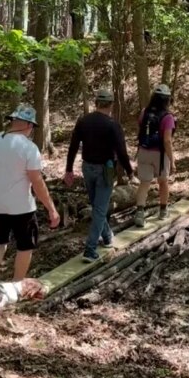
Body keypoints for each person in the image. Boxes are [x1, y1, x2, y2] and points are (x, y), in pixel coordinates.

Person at [0, 104, 60, 281]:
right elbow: (37, 181)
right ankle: (17, 283)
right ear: (29, 126)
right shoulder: (29, 148)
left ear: (13, 121)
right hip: (22, 206)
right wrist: (51, 209)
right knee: (25, 246)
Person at [65, 89, 134, 262]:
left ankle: (108, 237)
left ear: (96, 103)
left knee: (97, 205)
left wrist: (69, 169)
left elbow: (73, 146)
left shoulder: (83, 121)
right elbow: (121, 151)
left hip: (87, 168)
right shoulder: (113, 125)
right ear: (110, 105)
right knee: (99, 208)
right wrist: (130, 171)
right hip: (105, 170)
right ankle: (90, 249)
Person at [134, 85, 175, 227]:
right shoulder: (168, 117)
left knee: (144, 183)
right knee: (163, 182)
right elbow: (167, 140)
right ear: (167, 100)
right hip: (160, 154)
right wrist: (172, 160)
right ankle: (163, 211)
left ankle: (139, 213)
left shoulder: (144, 112)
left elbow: (139, 131)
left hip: (144, 151)